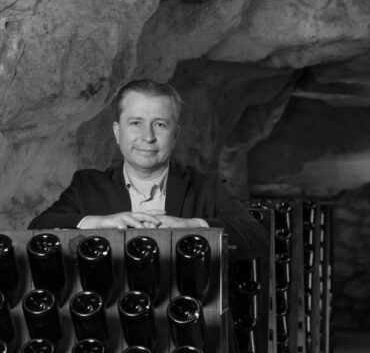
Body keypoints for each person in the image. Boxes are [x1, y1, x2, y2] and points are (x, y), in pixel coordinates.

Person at [28, 79, 268, 350]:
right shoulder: (87, 186)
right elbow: (38, 228)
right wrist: (98, 222)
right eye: (135, 123)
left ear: (175, 134)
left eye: (160, 124)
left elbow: (256, 239)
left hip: (190, 339)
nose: (148, 136)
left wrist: (194, 226)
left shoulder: (207, 185)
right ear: (117, 132)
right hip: (110, 339)